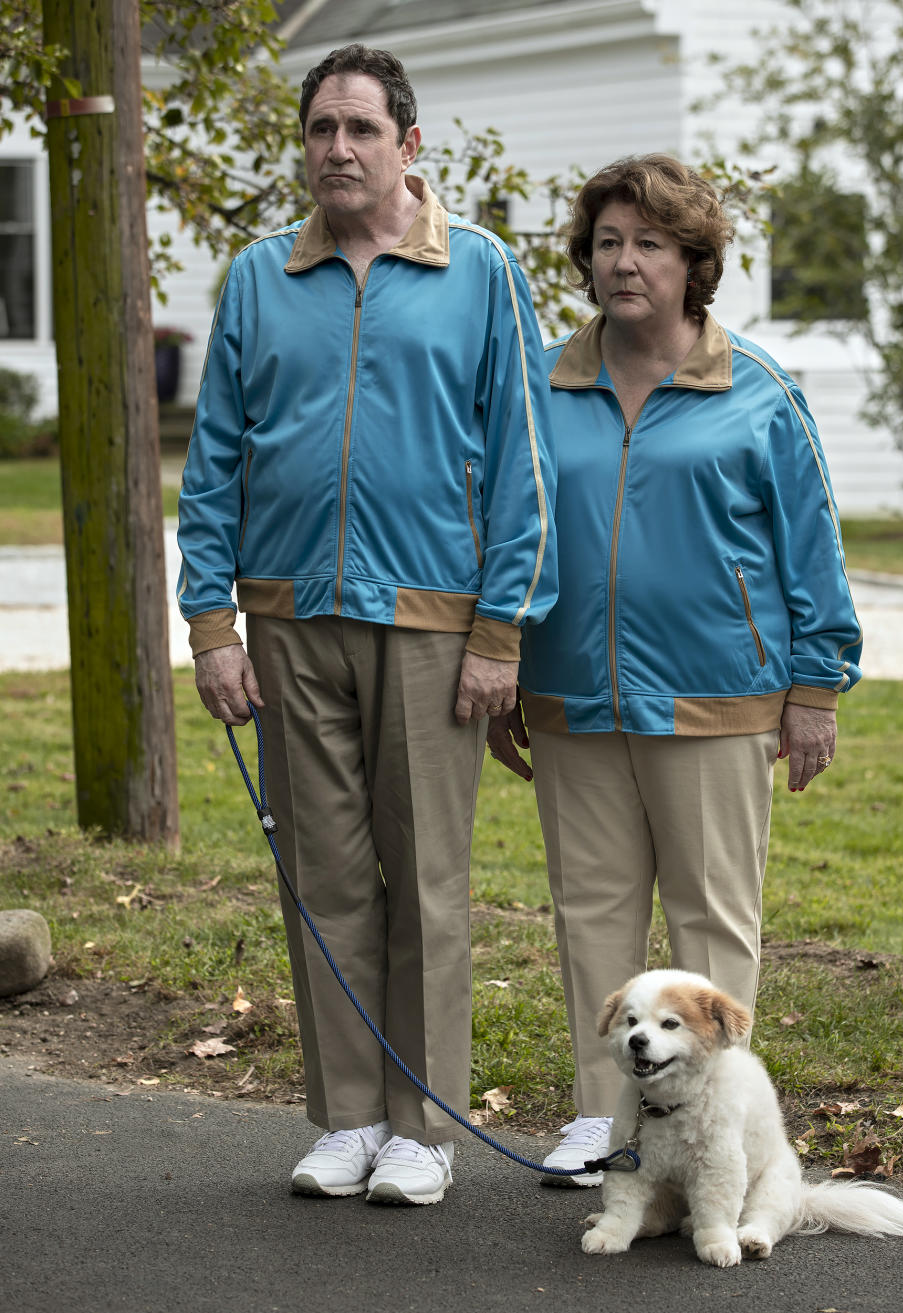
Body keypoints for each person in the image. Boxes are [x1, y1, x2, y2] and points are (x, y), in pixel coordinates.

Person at [177, 43, 557, 1207]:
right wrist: (210, 619)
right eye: (320, 130)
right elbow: (214, 461)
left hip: (436, 627)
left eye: (360, 129)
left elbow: (528, 467)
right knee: (327, 877)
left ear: (410, 142)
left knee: (429, 880)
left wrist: (501, 635)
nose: (337, 150)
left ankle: (427, 1123)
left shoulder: (481, 270)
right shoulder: (255, 277)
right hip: (288, 622)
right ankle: (348, 1116)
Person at [487, 154, 862, 1187]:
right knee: (593, 924)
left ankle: (714, 1144)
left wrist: (817, 684)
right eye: (607, 242)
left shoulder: (759, 392)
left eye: (649, 243)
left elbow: (812, 545)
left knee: (710, 931)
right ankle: (609, 1133)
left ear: (694, 262)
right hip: (572, 699)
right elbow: (507, 532)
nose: (624, 261)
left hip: (720, 699)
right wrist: (504, 661)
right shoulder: (543, 385)